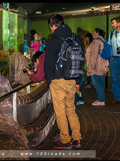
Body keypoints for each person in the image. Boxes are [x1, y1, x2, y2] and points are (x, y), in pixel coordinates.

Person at [44, 14, 83, 150]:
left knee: (60, 112)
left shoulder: (54, 40)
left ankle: (65, 141)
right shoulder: (75, 38)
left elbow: (48, 64)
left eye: (50, 27)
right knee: (71, 110)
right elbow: (80, 60)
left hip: (58, 81)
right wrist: (78, 80)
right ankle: (77, 139)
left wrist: (49, 80)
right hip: (72, 80)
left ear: (53, 26)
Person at [86, 28, 109, 106]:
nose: (92, 34)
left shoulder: (96, 42)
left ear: (97, 33)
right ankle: (100, 98)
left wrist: (91, 67)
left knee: (97, 84)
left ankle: (101, 100)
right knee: (101, 84)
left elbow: (93, 55)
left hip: (96, 67)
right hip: (103, 66)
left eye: (93, 32)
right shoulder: (103, 41)